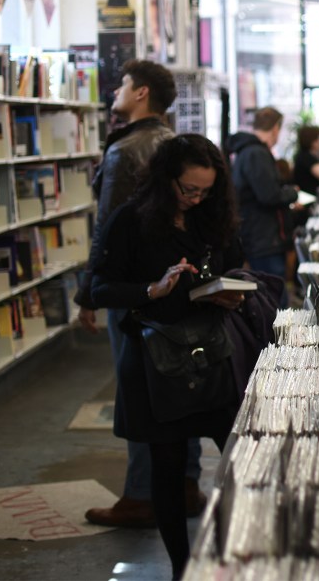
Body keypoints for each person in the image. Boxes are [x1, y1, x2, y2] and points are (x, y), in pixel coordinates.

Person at [90, 134, 244, 578]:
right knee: (168, 464)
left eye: (205, 191)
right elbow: (101, 289)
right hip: (155, 358)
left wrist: (230, 289)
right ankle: (181, 566)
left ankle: (243, 551)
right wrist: (152, 290)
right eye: (188, 189)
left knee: (240, 453)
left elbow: (236, 261)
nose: (196, 199)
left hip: (209, 353)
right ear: (166, 178)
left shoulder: (210, 216)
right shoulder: (131, 220)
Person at [73, 60, 206, 529]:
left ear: (142, 92)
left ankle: (142, 495)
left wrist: (89, 290)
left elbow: (108, 230)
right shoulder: (178, 146)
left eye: (123, 85)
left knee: (138, 392)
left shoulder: (125, 149)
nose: (116, 91)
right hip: (179, 284)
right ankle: (185, 485)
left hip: (135, 290)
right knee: (183, 385)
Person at [226, 107, 298, 307]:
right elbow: (269, 195)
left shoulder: (248, 151)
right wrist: (292, 192)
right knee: (274, 299)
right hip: (263, 238)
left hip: (258, 235)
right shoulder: (256, 153)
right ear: (275, 128)